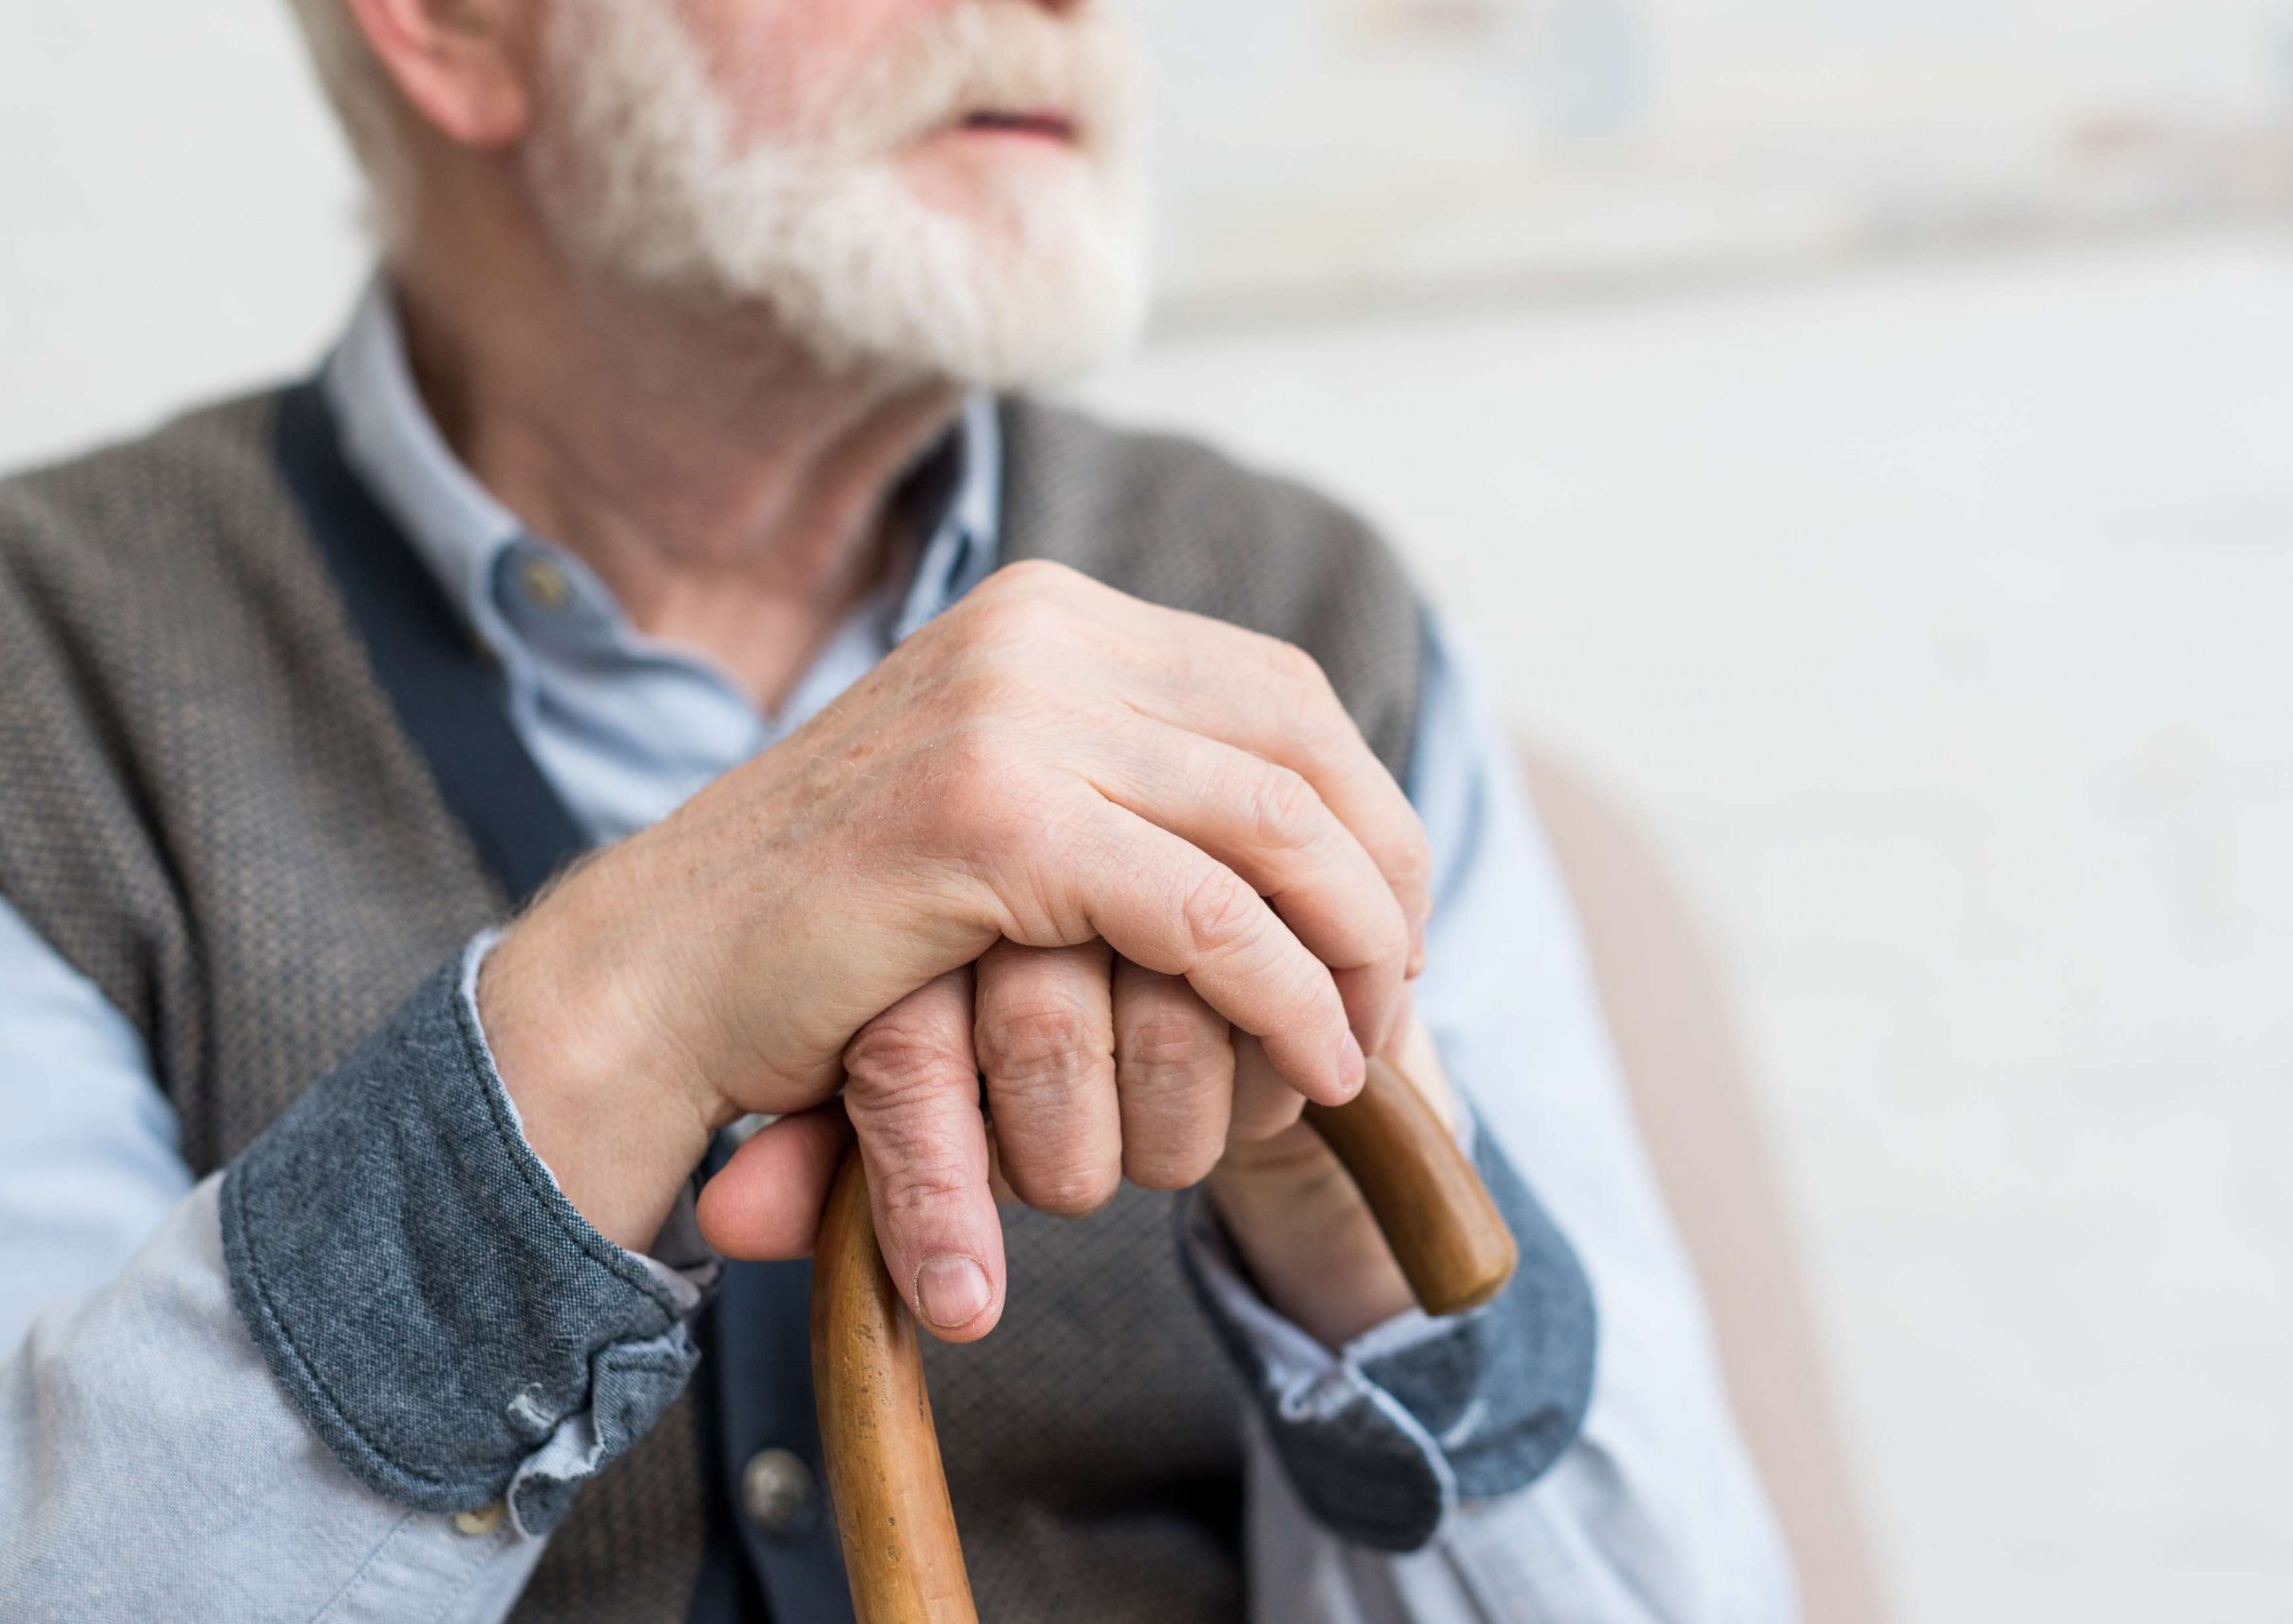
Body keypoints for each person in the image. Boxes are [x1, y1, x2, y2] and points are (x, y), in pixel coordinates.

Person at [0, 2, 1791, 1619]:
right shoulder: (51, 685)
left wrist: (1341, 1226)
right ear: (461, 26)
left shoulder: (1314, 626)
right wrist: (632, 999)